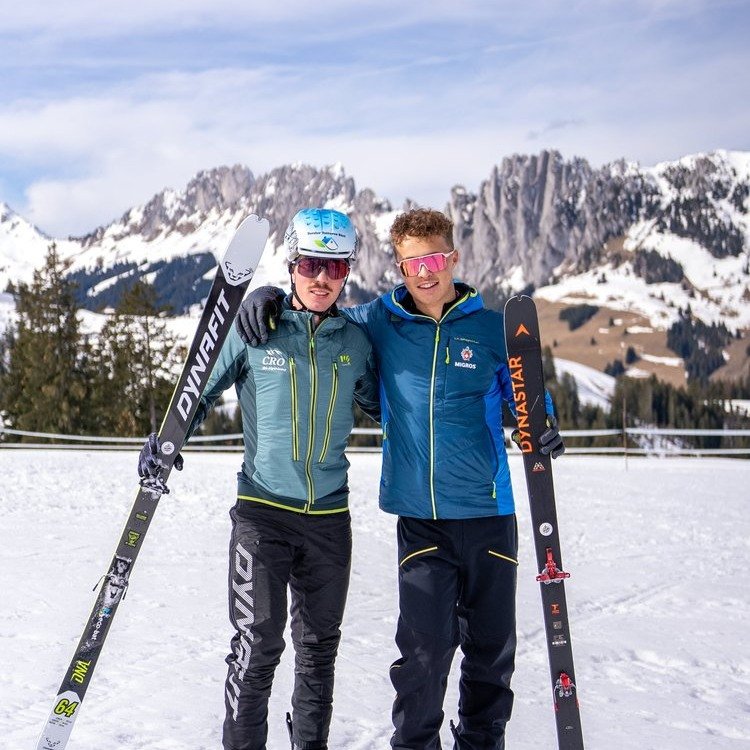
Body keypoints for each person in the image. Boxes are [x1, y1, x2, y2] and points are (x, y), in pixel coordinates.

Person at [236, 207, 564, 750]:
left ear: (453, 259)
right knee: (423, 657)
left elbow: (524, 396)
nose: (426, 272)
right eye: (413, 262)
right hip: (422, 521)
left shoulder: (490, 328)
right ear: (399, 266)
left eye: (435, 258)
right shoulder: (377, 323)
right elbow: (318, 308)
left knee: (490, 656)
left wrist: (544, 424)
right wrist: (267, 295)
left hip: (489, 516)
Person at [138, 208, 380, 750]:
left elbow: (393, 406)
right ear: (293, 263)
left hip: (328, 522)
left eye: (337, 268)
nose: (324, 278)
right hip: (262, 515)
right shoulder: (257, 330)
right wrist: (167, 439)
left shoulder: (356, 344)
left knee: (319, 651)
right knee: (257, 647)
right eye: (313, 264)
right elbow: (200, 386)